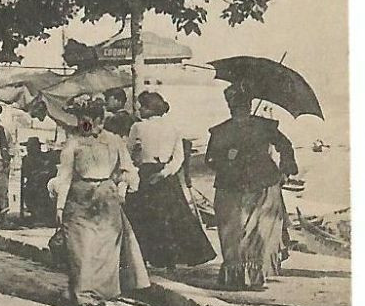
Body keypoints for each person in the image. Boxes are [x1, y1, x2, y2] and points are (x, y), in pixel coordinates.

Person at [54, 95, 149, 306]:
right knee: (81, 250)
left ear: (99, 120)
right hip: (78, 199)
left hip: (106, 199)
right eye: (79, 120)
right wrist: (59, 206)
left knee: (105, 251)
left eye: (86, 120)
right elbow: (64, 175)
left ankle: (96, 295)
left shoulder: (114, 141)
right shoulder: (73, 143)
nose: (82, 125)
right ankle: (81, 296)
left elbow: (128, 169)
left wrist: (124, 188)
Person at [205, 85, 297, 291]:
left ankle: (241, 277)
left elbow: (210, 160)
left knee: (237, 233)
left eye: (239, 107)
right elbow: (286, 146)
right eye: (238, 108)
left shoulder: (224, 130)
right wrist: (285, 169)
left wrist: (226, 158)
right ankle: (252, 277)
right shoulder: (261, 127)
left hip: (242, 186)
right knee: (253, 232)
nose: (239, 111)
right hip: (255, 184)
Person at [125, 91, 215, 269]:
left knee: (145, 218)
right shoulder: (173, 128)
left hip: (146, 173)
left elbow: (127, 153)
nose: (140, 109)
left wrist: (135, 169)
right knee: (172, 217)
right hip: (167, 177)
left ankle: (149, 258)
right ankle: (171, 261)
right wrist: (165, 173)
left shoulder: (138, 127)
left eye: (143, 106)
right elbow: (179, 158)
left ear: (151, 108)